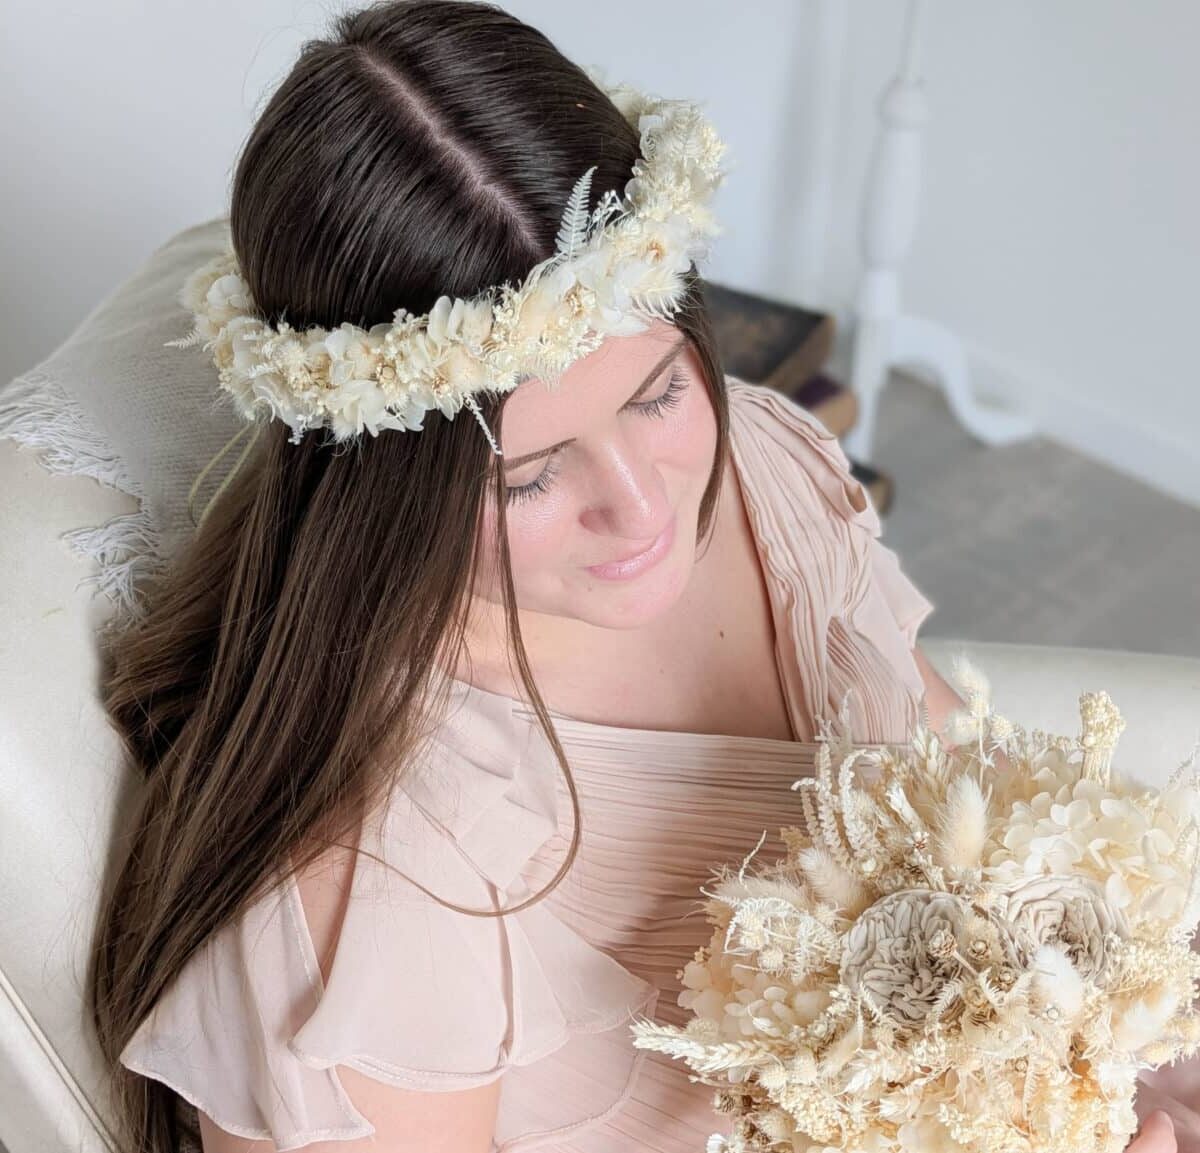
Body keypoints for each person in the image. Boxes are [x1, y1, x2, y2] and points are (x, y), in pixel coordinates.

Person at [84, 2, 1187, 1151]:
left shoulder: (755, 457)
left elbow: (951, 773)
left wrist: (1126, 1035)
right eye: (532, 477)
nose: (645, 504)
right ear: (386, 490)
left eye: (658, 394)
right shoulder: (378, 887)